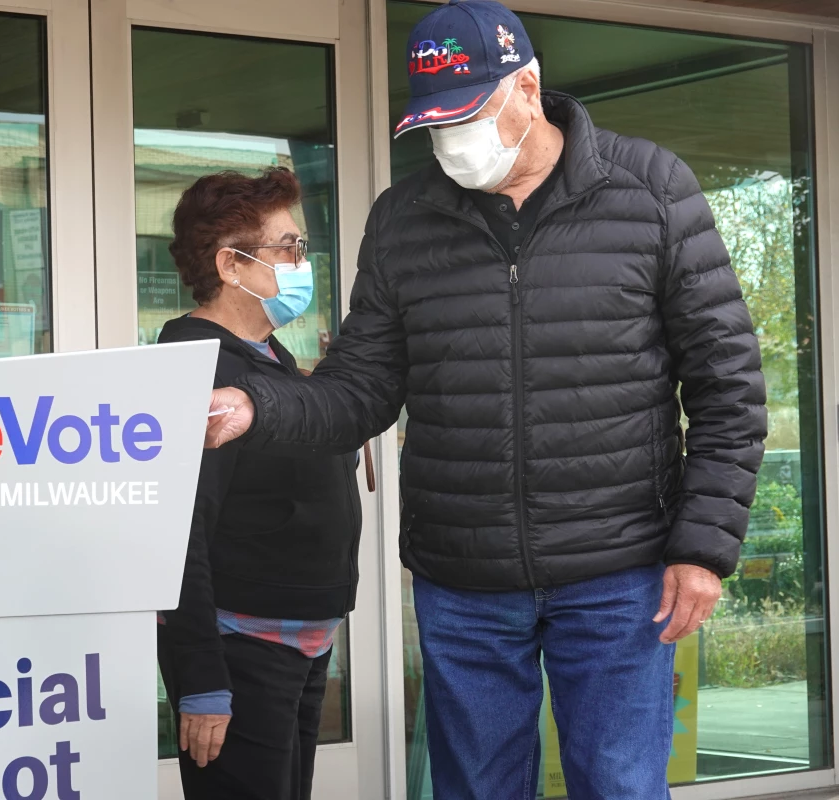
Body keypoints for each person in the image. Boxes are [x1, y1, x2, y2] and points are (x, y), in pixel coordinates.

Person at [205, 2, 766, 798]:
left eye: (466, 116)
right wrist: (259, 407)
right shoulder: (405, 219)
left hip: (618, 569)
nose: (450, 143)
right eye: (434, 124)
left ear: (527, 88)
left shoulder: (648, 190)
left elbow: (728, 385)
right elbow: (361, 387)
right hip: (462, 577)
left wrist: (703, 547)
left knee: (618, 783)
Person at [156, 167, 362, 800]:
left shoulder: (273, 360)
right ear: (231, 265)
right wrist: (201, 681)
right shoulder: (196, 368)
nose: (302, 262)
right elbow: (176, 538)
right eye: (288, 247)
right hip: (241, 652)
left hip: (299, 644)